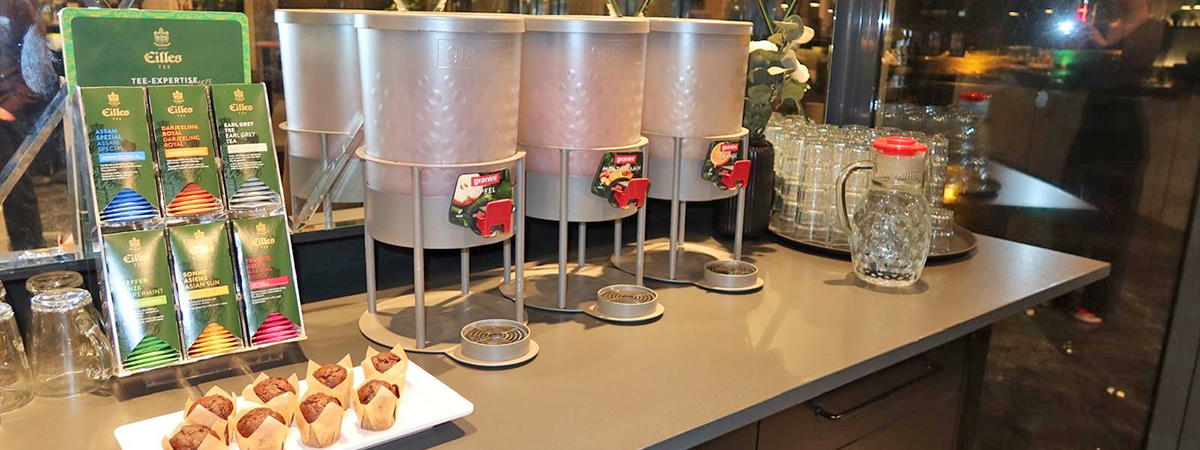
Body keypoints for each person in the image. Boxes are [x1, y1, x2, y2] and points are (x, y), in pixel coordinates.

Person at [1063, 0, 1165, 324]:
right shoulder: (1103, 27)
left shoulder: (1157, 30)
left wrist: (1103, 48)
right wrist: (1078, 51)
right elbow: (1076, 81)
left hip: (1124, 133)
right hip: (1091, 126)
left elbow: (1131, 76)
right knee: (1073, 209)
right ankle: (1062, 291)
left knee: (1113, 219)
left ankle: (1097, 301)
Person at [0, 0, 57, 251]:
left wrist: (10, 106)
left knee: (16, 192)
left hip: (7, 111)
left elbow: (39, 66)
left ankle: (29, 260)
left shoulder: (15, 6)